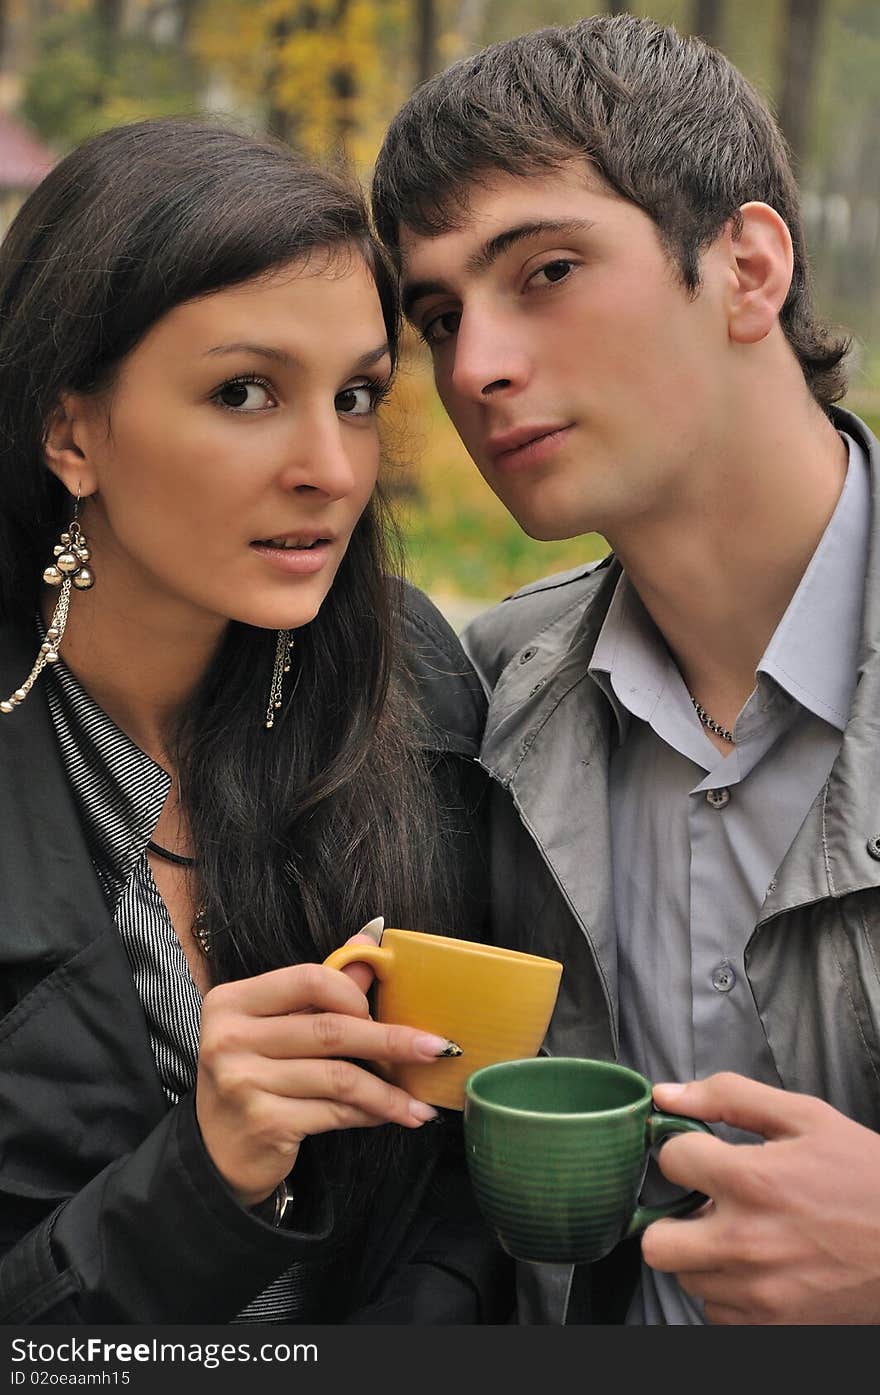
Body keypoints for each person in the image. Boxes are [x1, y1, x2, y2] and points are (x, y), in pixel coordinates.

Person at [371, 12, 880, 1325]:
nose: (475, 366)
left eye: (543, 269)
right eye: (438, 315)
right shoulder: (486, 694)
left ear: (748, 267)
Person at [0, 116, 512, 1325]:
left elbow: (456, 1179)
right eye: (244, 392)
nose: (332, 469)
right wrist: (203, 1175)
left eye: (353, 397)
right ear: (71, 428)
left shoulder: (408, 683)